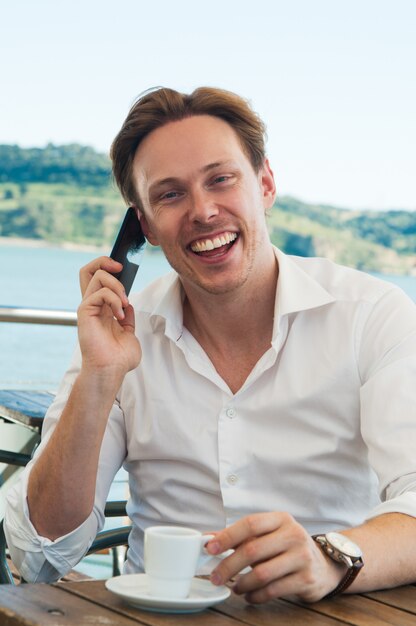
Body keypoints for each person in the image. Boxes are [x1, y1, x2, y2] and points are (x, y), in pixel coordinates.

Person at [4, 87, 416, 603]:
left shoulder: (371, 314)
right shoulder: (120, 332)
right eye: (170, 194)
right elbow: (40, 553)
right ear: (145, 226)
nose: (203, 211)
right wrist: (99, 377)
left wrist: (332, 556)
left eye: (221, 179)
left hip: (329, 611)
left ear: (265, 183)